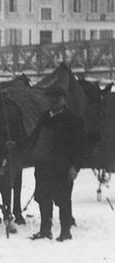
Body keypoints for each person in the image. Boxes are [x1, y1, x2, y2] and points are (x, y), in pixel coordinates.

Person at [28, 86, 84, 241]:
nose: (53, 100)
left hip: (62, 168)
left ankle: (65, 232)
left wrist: (75, 167)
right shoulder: (45, 116)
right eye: (51, 98)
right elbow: (34, 138)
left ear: (64, 99)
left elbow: (80, 147)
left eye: (57, 98)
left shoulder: (73, 119)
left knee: (64, 200)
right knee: (43, 199)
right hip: (43, 166)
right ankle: (45, 231)